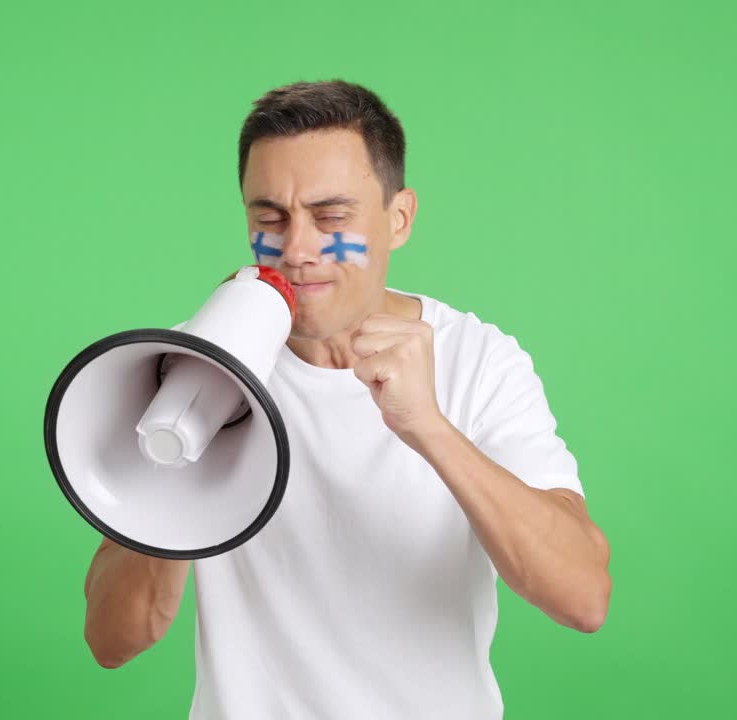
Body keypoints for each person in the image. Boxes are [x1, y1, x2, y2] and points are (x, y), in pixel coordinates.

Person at [82, 80, 611, 719]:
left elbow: (584, 597)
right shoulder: (194, 371)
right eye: (269, 217)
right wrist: (179, 441)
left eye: (331, 217)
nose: (298, 250)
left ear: (399, 218)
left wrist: (429, 427)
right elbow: (114, 640)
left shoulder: (478, 359)